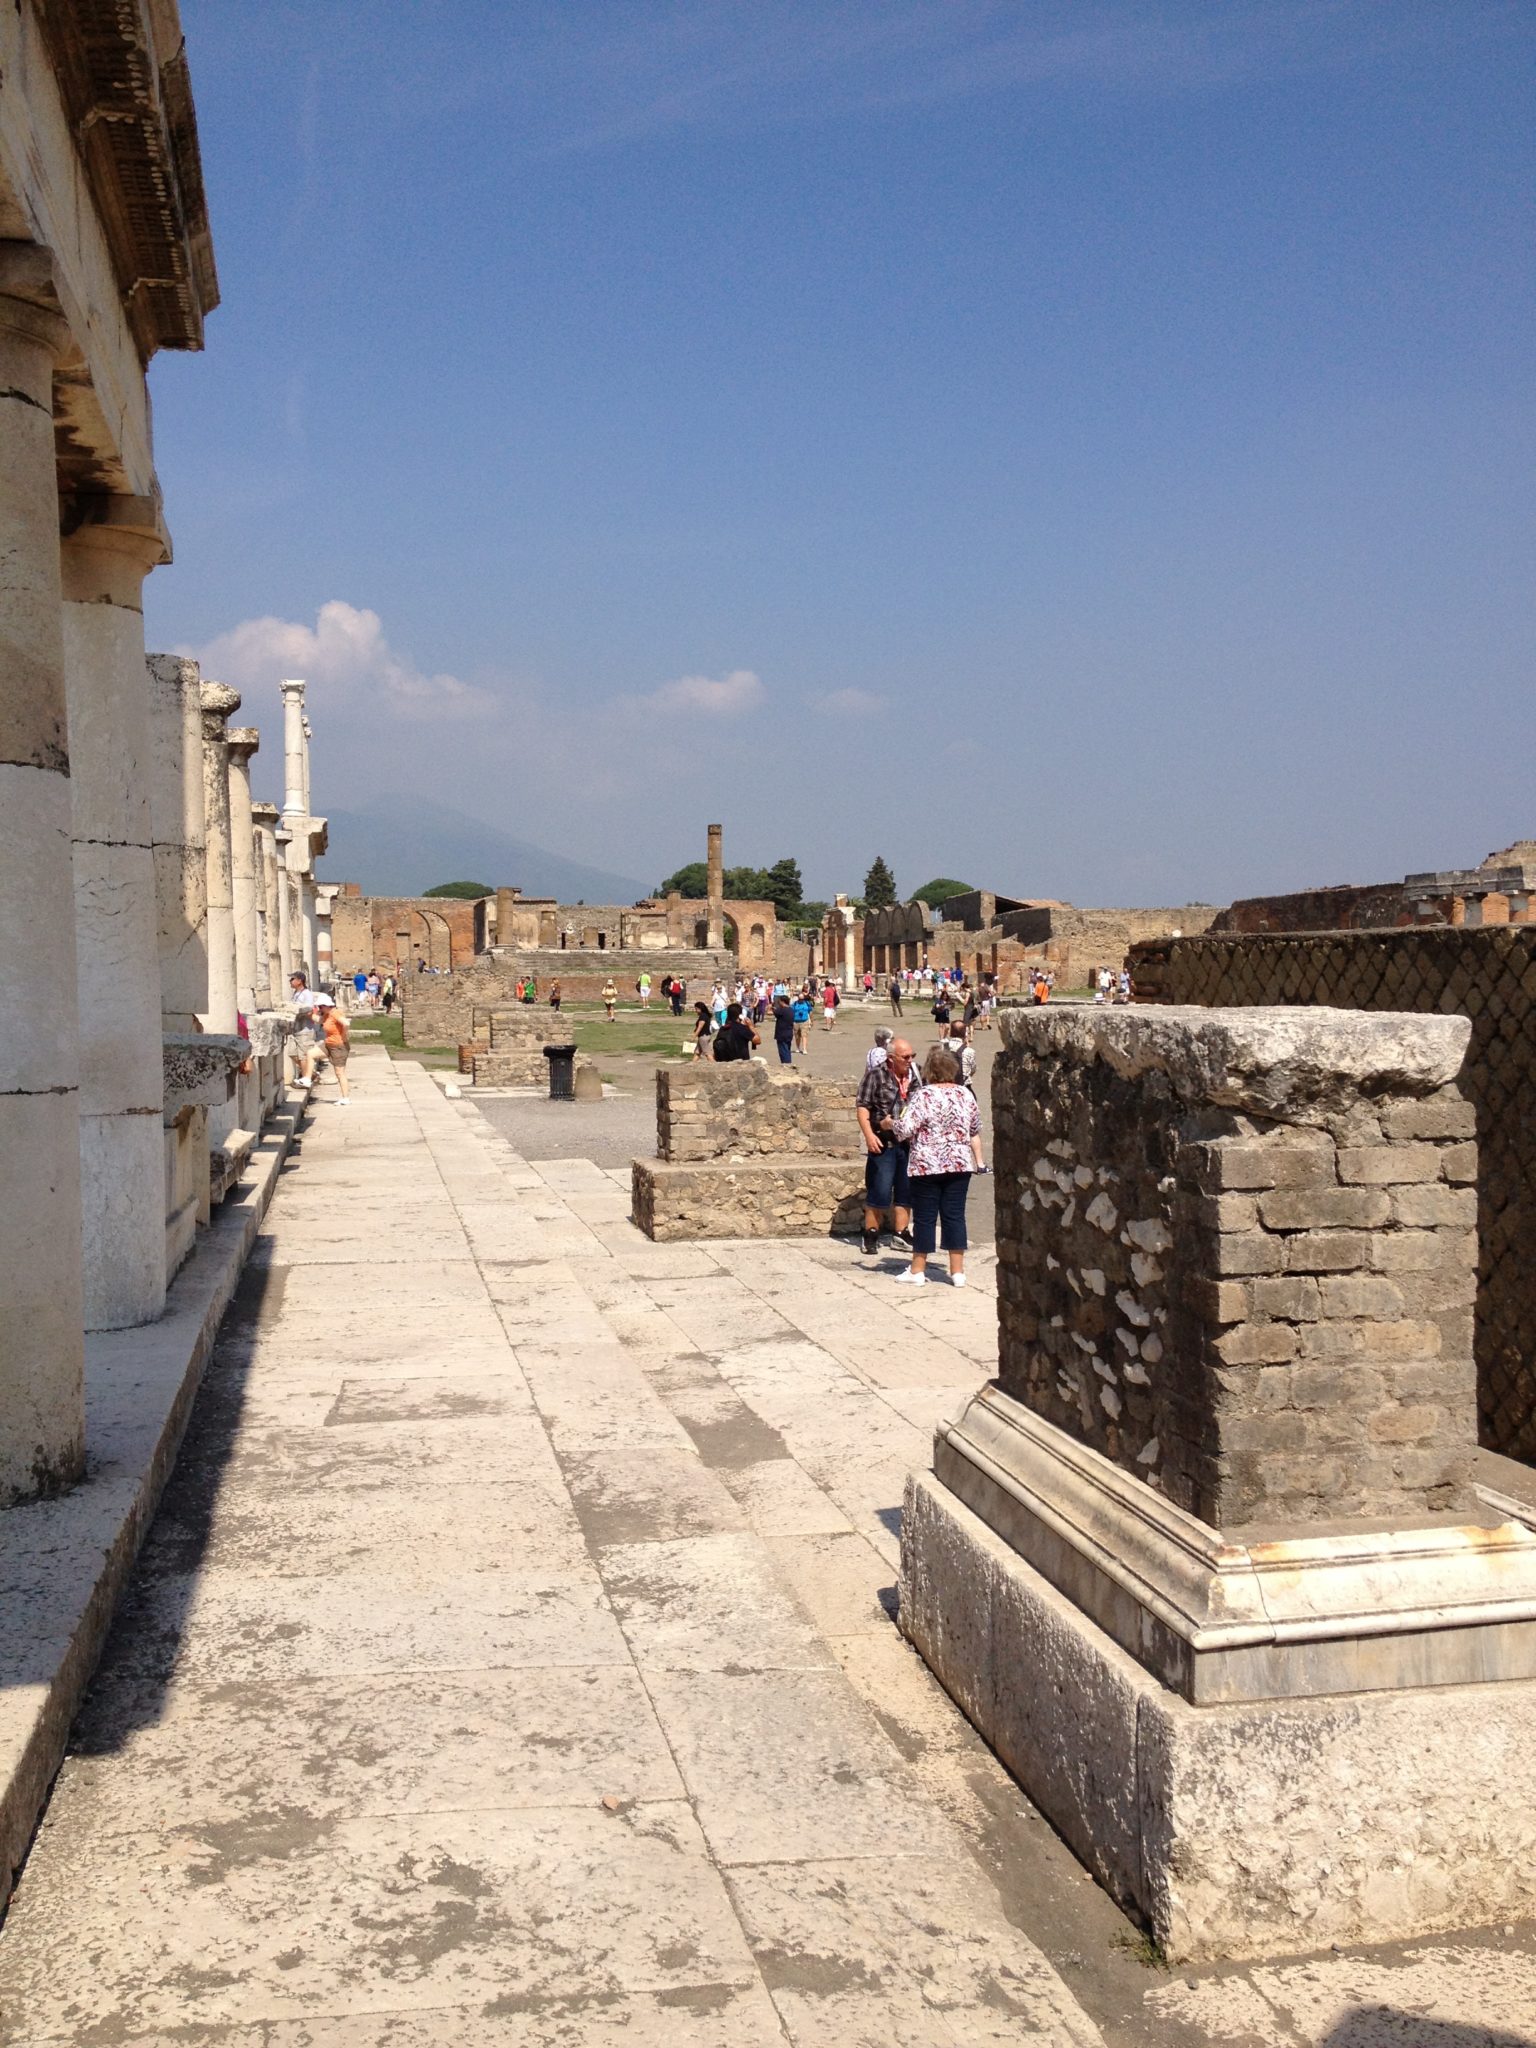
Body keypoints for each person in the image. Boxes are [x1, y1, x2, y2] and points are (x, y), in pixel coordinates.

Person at [892, 1046, 984, 1286]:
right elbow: (975, 1128)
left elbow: (905, 1129)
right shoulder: (965, 1094)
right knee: (955, 1215)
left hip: (927, 1164)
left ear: (929, 1071)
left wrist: (891, 1123)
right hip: (959, 1163)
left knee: (925, 1217)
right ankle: (957, 1272)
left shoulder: (923, 1095)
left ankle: (917, 1270)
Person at [855, 1036, 920, 1256]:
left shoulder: (917, 1074)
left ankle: (901, 1233)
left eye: (912, 1056)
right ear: (891, 1058)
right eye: (905, 1057)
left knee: (906, 1190)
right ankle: (871, 1232)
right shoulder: (876, 1075)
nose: (910, 1060)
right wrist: (869, 1135)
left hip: (910, 1142)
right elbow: (863, 1106)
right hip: (884, 1141)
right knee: (879, 1189)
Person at [287, 970, 324, 1089]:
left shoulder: (307, 994)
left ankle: (305, 1079)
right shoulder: (296, 993)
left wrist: (296, 1011)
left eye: (292, 979)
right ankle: (311, 1074)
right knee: (292, 1053)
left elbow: (309, 1011)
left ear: (299, 981)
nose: (290, 981)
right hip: (295, 1029)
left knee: (303, 1056)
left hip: (305, 1030)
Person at [316, 995, 351, 1106]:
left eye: (320, 1007)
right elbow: (318, 1020)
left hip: (339, 1046)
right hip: (329, 1044)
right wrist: (311, 1013)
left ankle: (345, 1098)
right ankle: (309, 1077)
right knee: (310, 1054)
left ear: (326, 1006)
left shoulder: (335, 1013)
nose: (319, 1009)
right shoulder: (327, 1015)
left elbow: (346, 1023)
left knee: (340, 1073)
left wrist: (344, 1035)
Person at [771, 993, 795, 1065]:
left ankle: (786, 1065)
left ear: (782, 1001)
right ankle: (788, 1064)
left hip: (782, 1034)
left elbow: (772, 1012)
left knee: (783, 1052)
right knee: (787, 1050)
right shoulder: (791, 1010)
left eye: (779, 1001)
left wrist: (771, 1007)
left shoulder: (782, 1010)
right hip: (789, 1033)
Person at [791, 986, 812, 1056]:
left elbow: (810, 1012)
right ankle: (797, 1047)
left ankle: (804, 1049)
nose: (801, 1000)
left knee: (804, 1035)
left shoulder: (807, 1004)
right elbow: (791, 1012)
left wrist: (811, 1020)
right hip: (796, 1021)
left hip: (804, 1021)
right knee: (797, 1036)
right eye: (800, 999)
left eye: (802, 999)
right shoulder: (794, 1004)